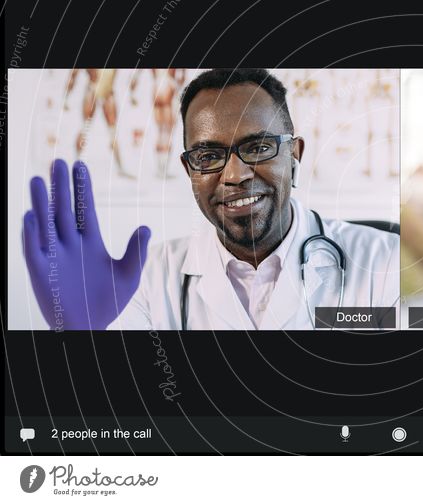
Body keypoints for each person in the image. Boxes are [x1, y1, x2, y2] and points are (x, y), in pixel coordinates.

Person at [23, 68, 399, 330]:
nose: (235, 175)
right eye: (207, 156)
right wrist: (88, 335)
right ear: (189, 170)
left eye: (259, 147)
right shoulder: (148, 279)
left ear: (295, 152)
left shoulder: (388, 263)